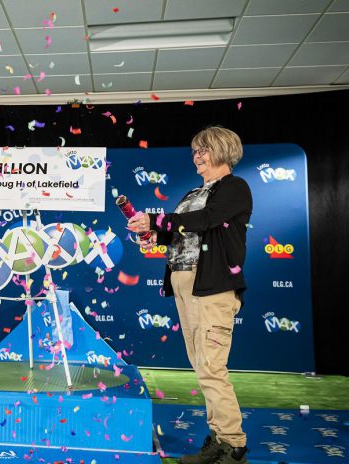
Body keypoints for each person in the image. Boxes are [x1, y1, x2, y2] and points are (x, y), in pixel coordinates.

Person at [127, 126, 252, 464]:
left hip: (211, 286)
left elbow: (206, 219)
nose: (197, 156)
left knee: (211, 366)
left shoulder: (235, 188)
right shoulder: (191, 194)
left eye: (203, 150)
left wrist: (155, 219)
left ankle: (234, 447)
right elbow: (180, 235)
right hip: (184, 282)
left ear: (223, 151)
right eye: (195, 151)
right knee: (202, 366)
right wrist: (153, 235)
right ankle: (219, 439)